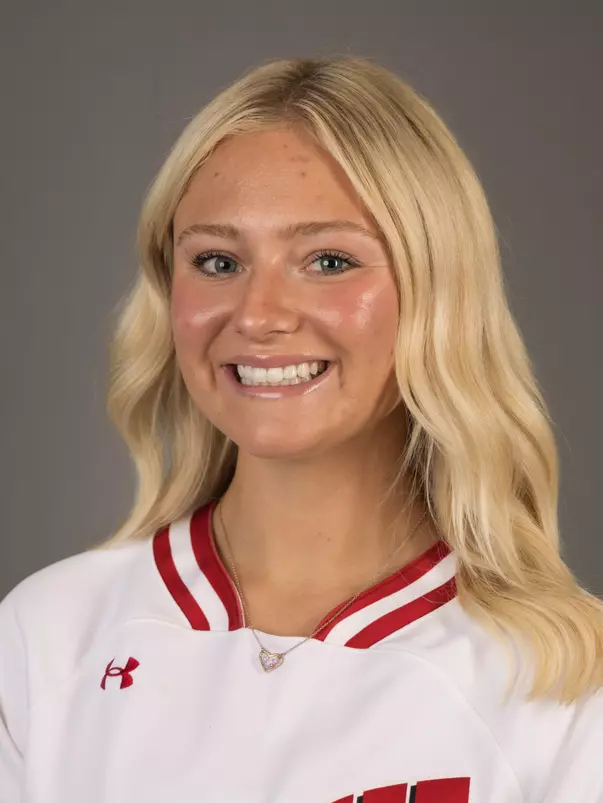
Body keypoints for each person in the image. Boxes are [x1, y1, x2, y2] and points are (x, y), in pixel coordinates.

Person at [0, 54, 602, 803]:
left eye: (328, 260)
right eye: (217, 261)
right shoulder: (47, 637)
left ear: (438, 288)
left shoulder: (565, 683)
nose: (258, 315)